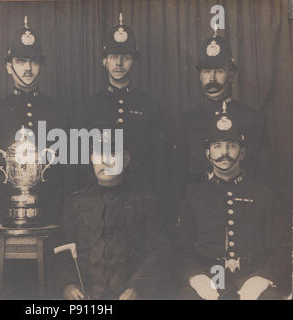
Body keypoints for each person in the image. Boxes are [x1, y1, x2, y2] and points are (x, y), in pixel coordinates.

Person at [176, 113, 291, 300]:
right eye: (217, 146)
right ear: (208, 153)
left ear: (242, 153)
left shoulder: (265, 195)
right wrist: (196, 277)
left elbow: (283, 248)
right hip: (211, 275)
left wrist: (263, 278)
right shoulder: (194, 195)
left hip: (252, 274)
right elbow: (180, 249)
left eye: (232, 145)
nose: (224, 153)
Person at [55, 124, 171, 300]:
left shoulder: (146, 201)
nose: (106, 161)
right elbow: (60, 250)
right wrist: (68, 285)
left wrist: (138, 288)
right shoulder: (75, 202)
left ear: (126, 159)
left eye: (112, 155)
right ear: (92, 158)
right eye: (99, 155)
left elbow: (159, 251)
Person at [172, 26, 277, 208]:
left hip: (244, 209)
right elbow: (178, 180)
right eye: (206, 72)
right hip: (201, 212)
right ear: (199, 76)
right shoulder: (187, 121)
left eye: (219, 71)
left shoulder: (252, 120)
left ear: (232, 74)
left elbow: (265, 178)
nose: (211, 79)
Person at [0, 16, 67, 227]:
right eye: (20, 61)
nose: (28, 68)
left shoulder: (58, 112)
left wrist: (65, 226)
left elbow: (68, 174)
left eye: (34, 61)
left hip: (50, 221)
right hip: (5, 223)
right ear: (9, 66)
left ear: (41, 66)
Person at [78, 12, 169, 194]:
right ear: (104, 61)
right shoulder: (90, 106)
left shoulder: (150, 105)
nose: (118, 63)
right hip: (99, 195)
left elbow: (160, 159)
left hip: (141, 196)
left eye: (125, 57)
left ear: (134, 61)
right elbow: (81, 157)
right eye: (113, 57)